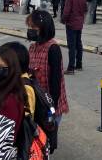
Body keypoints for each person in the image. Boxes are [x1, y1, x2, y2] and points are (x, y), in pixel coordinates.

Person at [26, 10, 68, 152]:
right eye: (29, 27)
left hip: (50, 104)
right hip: (36, 103)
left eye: (34, 28)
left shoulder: (53, 48)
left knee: (46, 143)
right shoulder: (33, 47)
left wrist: (52, 110)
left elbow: (56, 81)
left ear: (44, 28)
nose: (30, 31)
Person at [62, 0, 87, 74]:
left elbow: (66, 11)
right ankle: (79, 64)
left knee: (71, 46)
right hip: (79, 23)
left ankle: (71, 67)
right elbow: (85, 9)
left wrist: (63, 20)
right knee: (78, 44)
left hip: (71, 24)